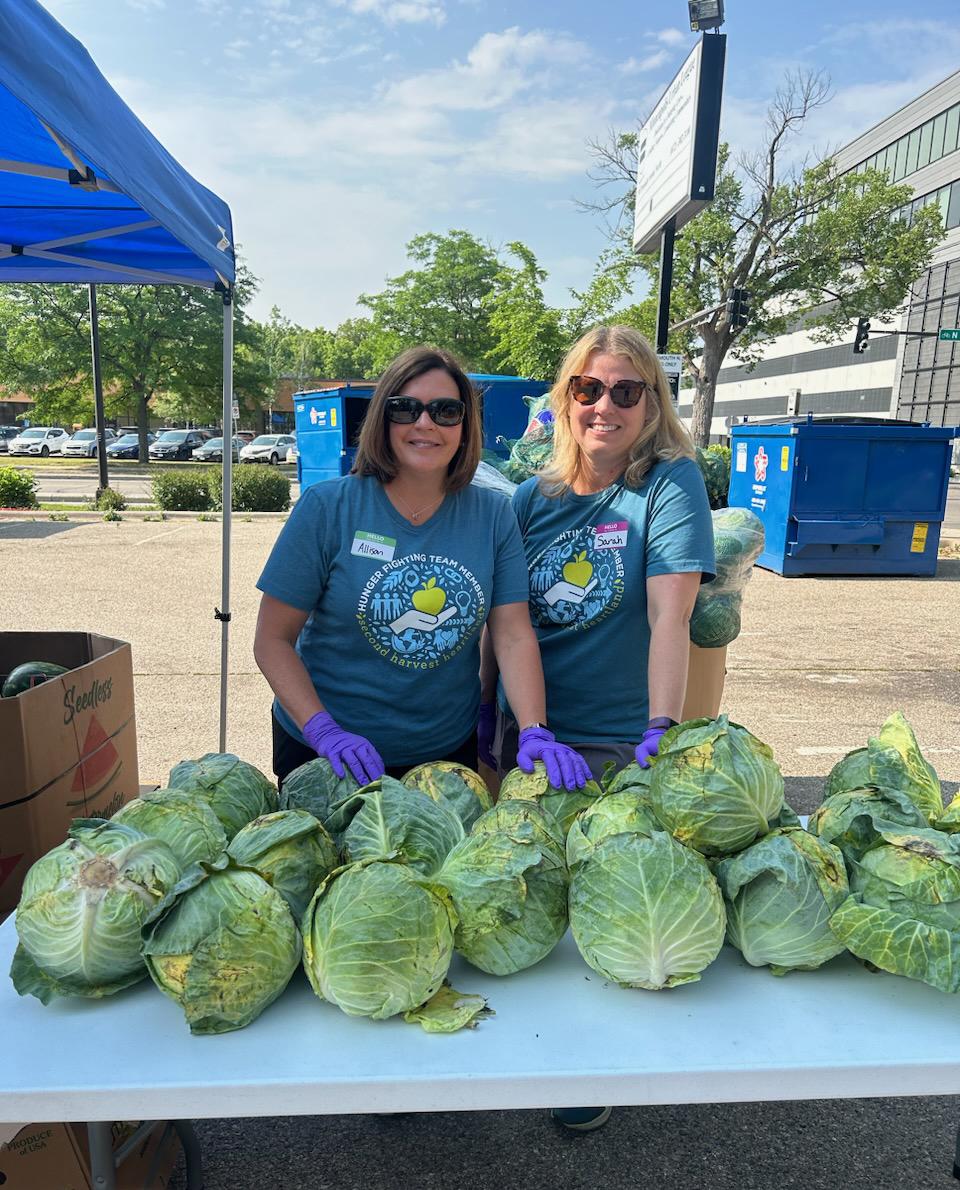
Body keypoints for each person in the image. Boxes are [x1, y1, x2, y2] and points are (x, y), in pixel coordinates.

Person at [478, 324, 715, 1132]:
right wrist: (522, 734)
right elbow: (506, 627)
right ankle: (539, 1053)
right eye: (588, 389)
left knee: (610, 905)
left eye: (625, 390)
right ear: (565, 398)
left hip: (620, 740)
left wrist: (660, 728)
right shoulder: (529, 500)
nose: (604, 406)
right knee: (536, 902)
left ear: (652, 403)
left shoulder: (669, 485)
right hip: (539, 739)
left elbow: (668, 615)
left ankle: (589, 1069)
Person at [254, 345, 589, 792]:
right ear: (383, 419)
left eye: (446, 411)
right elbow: (272, 639)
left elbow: (511, 633)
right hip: (328, 758)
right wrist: (323, 730)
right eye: (405, 408)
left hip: (443, 757)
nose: (425, 423)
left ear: (466, 424)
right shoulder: (328, 508)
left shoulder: (493, 516)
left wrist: (533, 729)